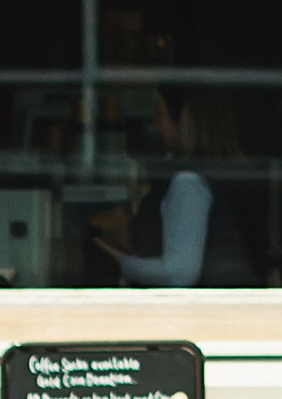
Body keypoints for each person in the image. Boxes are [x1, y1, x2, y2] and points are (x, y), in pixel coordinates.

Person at [92, 90, 216, 289]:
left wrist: (124, 263)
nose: (156, 123)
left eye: (160, 113)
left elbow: (180, 273)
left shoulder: (187, 182)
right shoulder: (207, 175)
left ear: (182, 121)